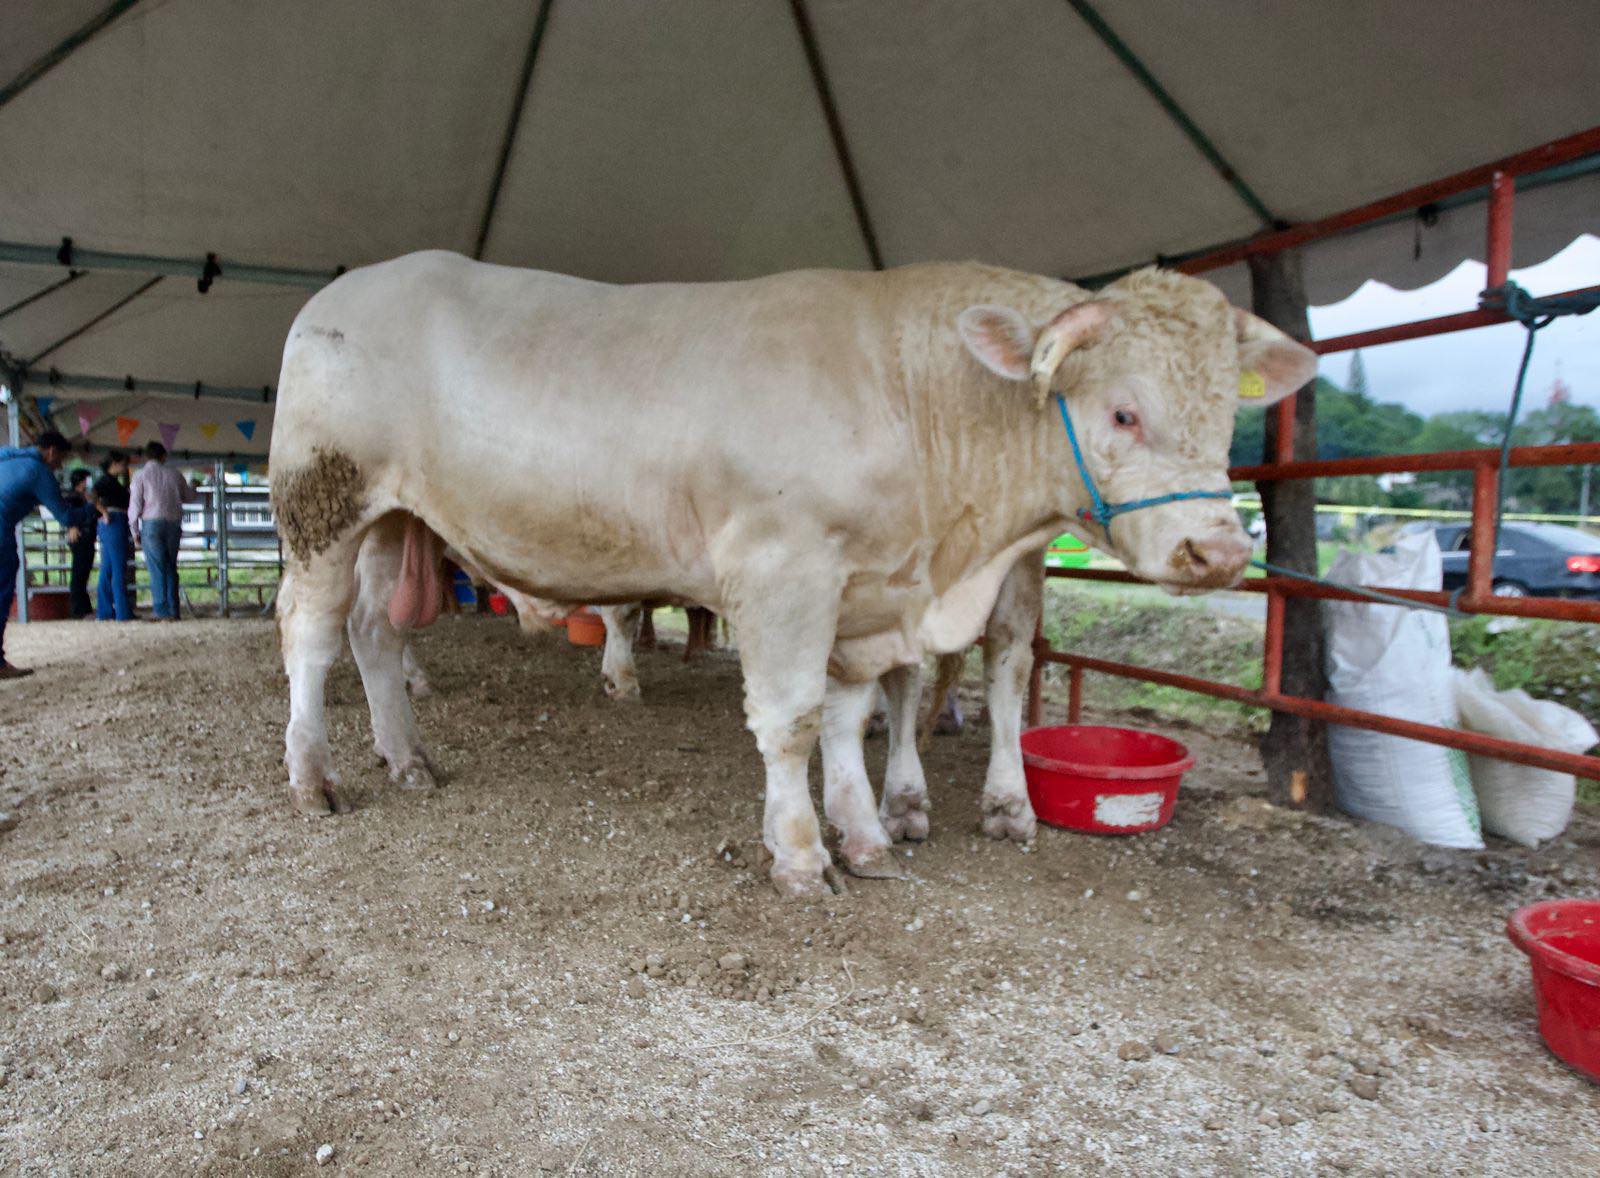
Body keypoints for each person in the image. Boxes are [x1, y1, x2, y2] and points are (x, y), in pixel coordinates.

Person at [0, 430, 83, 679]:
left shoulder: (7, 455)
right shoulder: (40, 472)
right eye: (61, 459)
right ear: (51, 451)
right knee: (1, 592)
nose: (60, 465)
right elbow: (65, 515)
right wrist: (93, 508)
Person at [128, 441, 198, 622]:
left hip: (151, 524)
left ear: (146, 456)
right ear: (163, 456)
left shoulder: (140, 475)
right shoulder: (175, 474)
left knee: (157, 567)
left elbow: (135, 505)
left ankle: (161, 610)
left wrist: (134, 531)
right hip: (173, 523)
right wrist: (194, 486)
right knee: (170, 566)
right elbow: (188, 496)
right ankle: (174, 609)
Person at [92, 451, 135, 622]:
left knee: (108, 567)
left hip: (111, 522)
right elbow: (91, 495)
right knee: (118, 567)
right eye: (123, 464)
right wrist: (103, 511)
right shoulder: (106, 481)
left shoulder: (111, 481)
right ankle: (122, 611)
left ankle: (105, 610)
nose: (125, 467)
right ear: (115, 463)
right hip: (114, 520)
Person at [64, 467, 98, 618]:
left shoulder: (83, 497)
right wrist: (72, 526)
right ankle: (78, 609)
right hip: (81, 537)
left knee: (83, 573)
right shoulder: (73, 498)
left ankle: (83, 607)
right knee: (79, 573)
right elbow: (69, 515)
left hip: (87, 537)